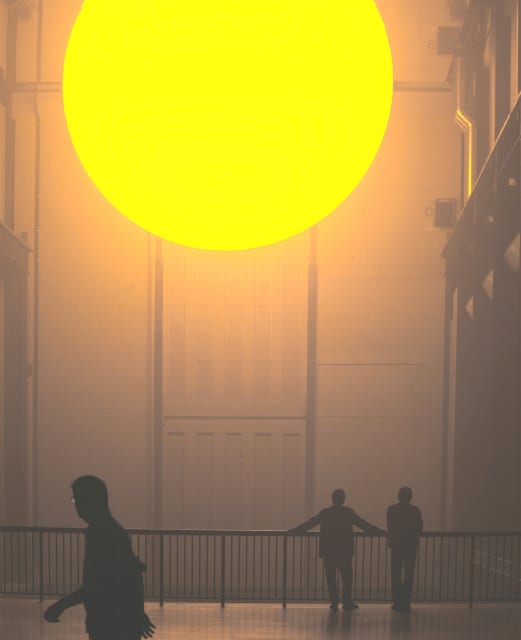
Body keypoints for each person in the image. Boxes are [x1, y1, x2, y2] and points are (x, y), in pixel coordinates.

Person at [43, 475, 156, 640]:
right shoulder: (112, 532)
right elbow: (132, 576)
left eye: (76, 499)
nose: (76, 505)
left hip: (109, 623)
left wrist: (61, 605)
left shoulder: (102, 535)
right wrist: (137, 612)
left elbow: (96, 585)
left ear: (89, 501)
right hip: (118, 622)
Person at [288, 488, 385, 611]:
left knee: (331, 577)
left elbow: (311, 523)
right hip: (344, 549)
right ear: (343, 499)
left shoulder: (326, 512)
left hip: (329, 550)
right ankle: (347, 601)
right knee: (347, 577)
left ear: (332, 499)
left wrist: (294, 531)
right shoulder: (348, 512)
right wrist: (380, 532)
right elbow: (363, 524)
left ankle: (334, 601)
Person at [386, 486, 423, 613]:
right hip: (410, 546)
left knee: (395, 574)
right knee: (409, 574)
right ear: (410, 497)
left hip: (396, 545)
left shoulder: (392, 509)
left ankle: (396, 602)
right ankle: (406, 601)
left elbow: (390, 526)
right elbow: (419, 527)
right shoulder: (415, 510)